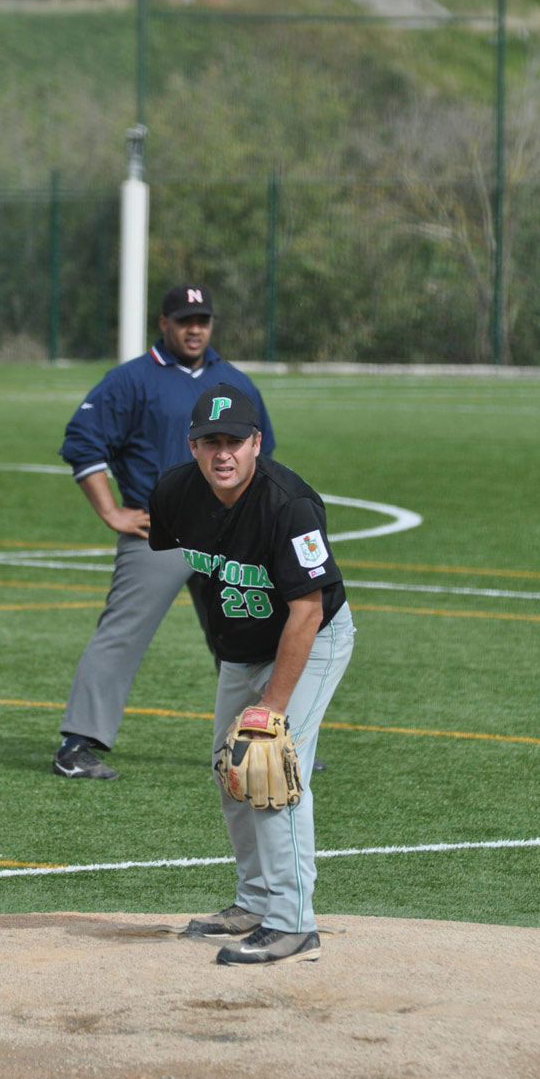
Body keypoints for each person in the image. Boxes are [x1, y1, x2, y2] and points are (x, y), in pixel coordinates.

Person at [148, 383, 354, 965]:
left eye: (234, 441)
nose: (223, 454)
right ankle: (256, 899)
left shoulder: (290, 505)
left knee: (270, 766)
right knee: (232, 769)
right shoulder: (173, 493)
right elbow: (196, 566)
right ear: (192, 446)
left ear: (256, 443)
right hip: (242, 649)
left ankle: (293, 923)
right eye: (210, 441)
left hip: (311, 641)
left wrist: (273, 708)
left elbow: (307, 611)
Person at [52, 284, 275, 780]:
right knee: (121, 634)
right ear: (164, 323)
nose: (195, 329)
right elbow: (83, 441)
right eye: (184, 320)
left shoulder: (234, 381)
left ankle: (264, 739)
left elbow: (261, 456)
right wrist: (112, 512)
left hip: (227, 534)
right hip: (161, 532)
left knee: (249, 633)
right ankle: (76, 744)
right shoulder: (130, 379)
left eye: (202, 320)